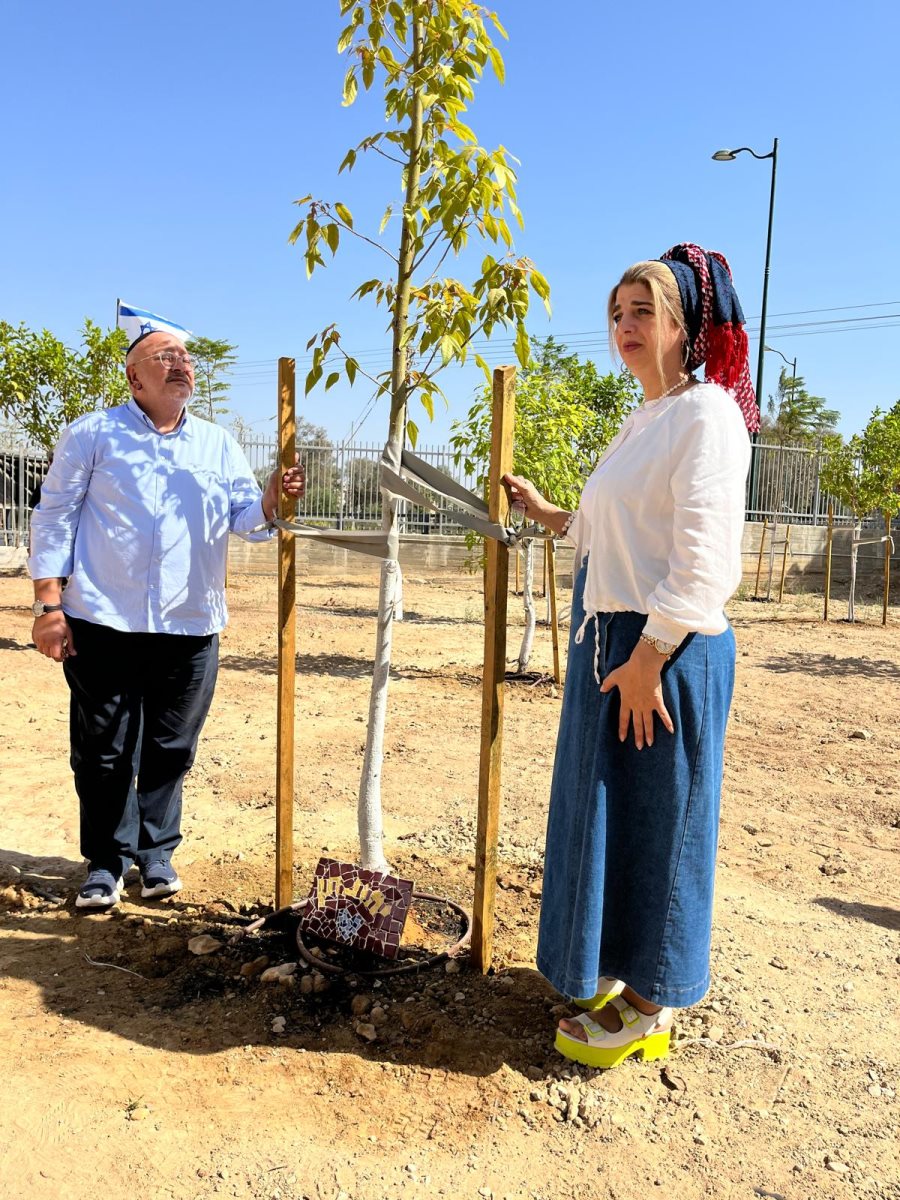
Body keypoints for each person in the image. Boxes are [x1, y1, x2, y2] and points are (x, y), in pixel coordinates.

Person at [504, 243, 756, 1069]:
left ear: (685, 325)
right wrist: (551, 513)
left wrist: (649, 659)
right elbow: (618, 533)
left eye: (644, 311)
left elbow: (704, 562)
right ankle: (622, 976)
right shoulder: (645, 417)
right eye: (617, 314)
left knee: (663, 824)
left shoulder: (706, 415)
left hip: (664, 652)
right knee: (614, 817)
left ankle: (652, 1007)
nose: (625, 327)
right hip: (616, 645)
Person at [29, 329, 305, 910]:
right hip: (103, 621)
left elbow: (244, 519)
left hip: (190, 623)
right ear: (134, 377)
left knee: (171, 746)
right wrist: (49, 605)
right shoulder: (93, 435)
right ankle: (106, 861)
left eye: (186, 357)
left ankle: (156, 855)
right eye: (166, 356)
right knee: (104, 749)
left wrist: (273, 500)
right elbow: (53, 516)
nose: (181, 364)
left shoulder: (217, 444)